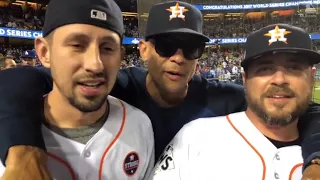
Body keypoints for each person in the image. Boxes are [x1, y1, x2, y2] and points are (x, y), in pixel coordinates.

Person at [0, 1, 320, 179]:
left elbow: (299, 108)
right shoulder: (116, 87)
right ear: (142, 50)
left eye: (190, 48)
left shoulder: (226, 97)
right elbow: (21, 82)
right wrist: (23, 150)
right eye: (166, 46)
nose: (178, 58)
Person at [0, 0, 154, 179]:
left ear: (120, 57)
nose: (95, 64)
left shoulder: (140, 124)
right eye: (77, 46)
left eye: (107, 48)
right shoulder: (9, 139)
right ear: (44, 52)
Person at [151, 24, 319, 180]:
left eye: (293, 68)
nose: (279, 80)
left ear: (312, 77)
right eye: (265, 69)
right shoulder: (196, 138)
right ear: (245, 79)